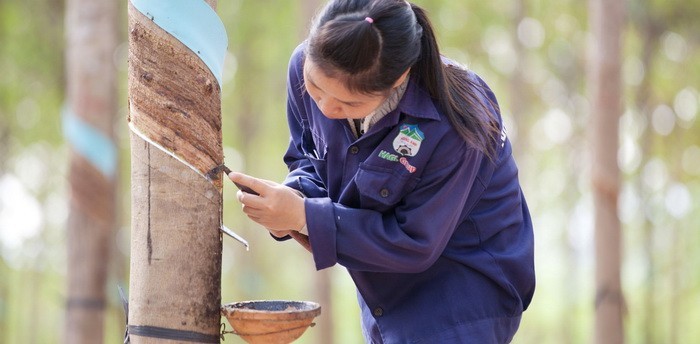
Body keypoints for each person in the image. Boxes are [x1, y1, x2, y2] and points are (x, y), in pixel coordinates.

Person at [228, 0, 535, 342]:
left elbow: (416, 242)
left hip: (462, 295)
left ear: (399, 78)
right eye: (315, 89)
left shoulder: (459, 120)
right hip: (382, 292)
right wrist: (291, 202)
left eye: (350, 104)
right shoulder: (304, 64)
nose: (328, 109)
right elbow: (308, 157)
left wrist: (303, 217)